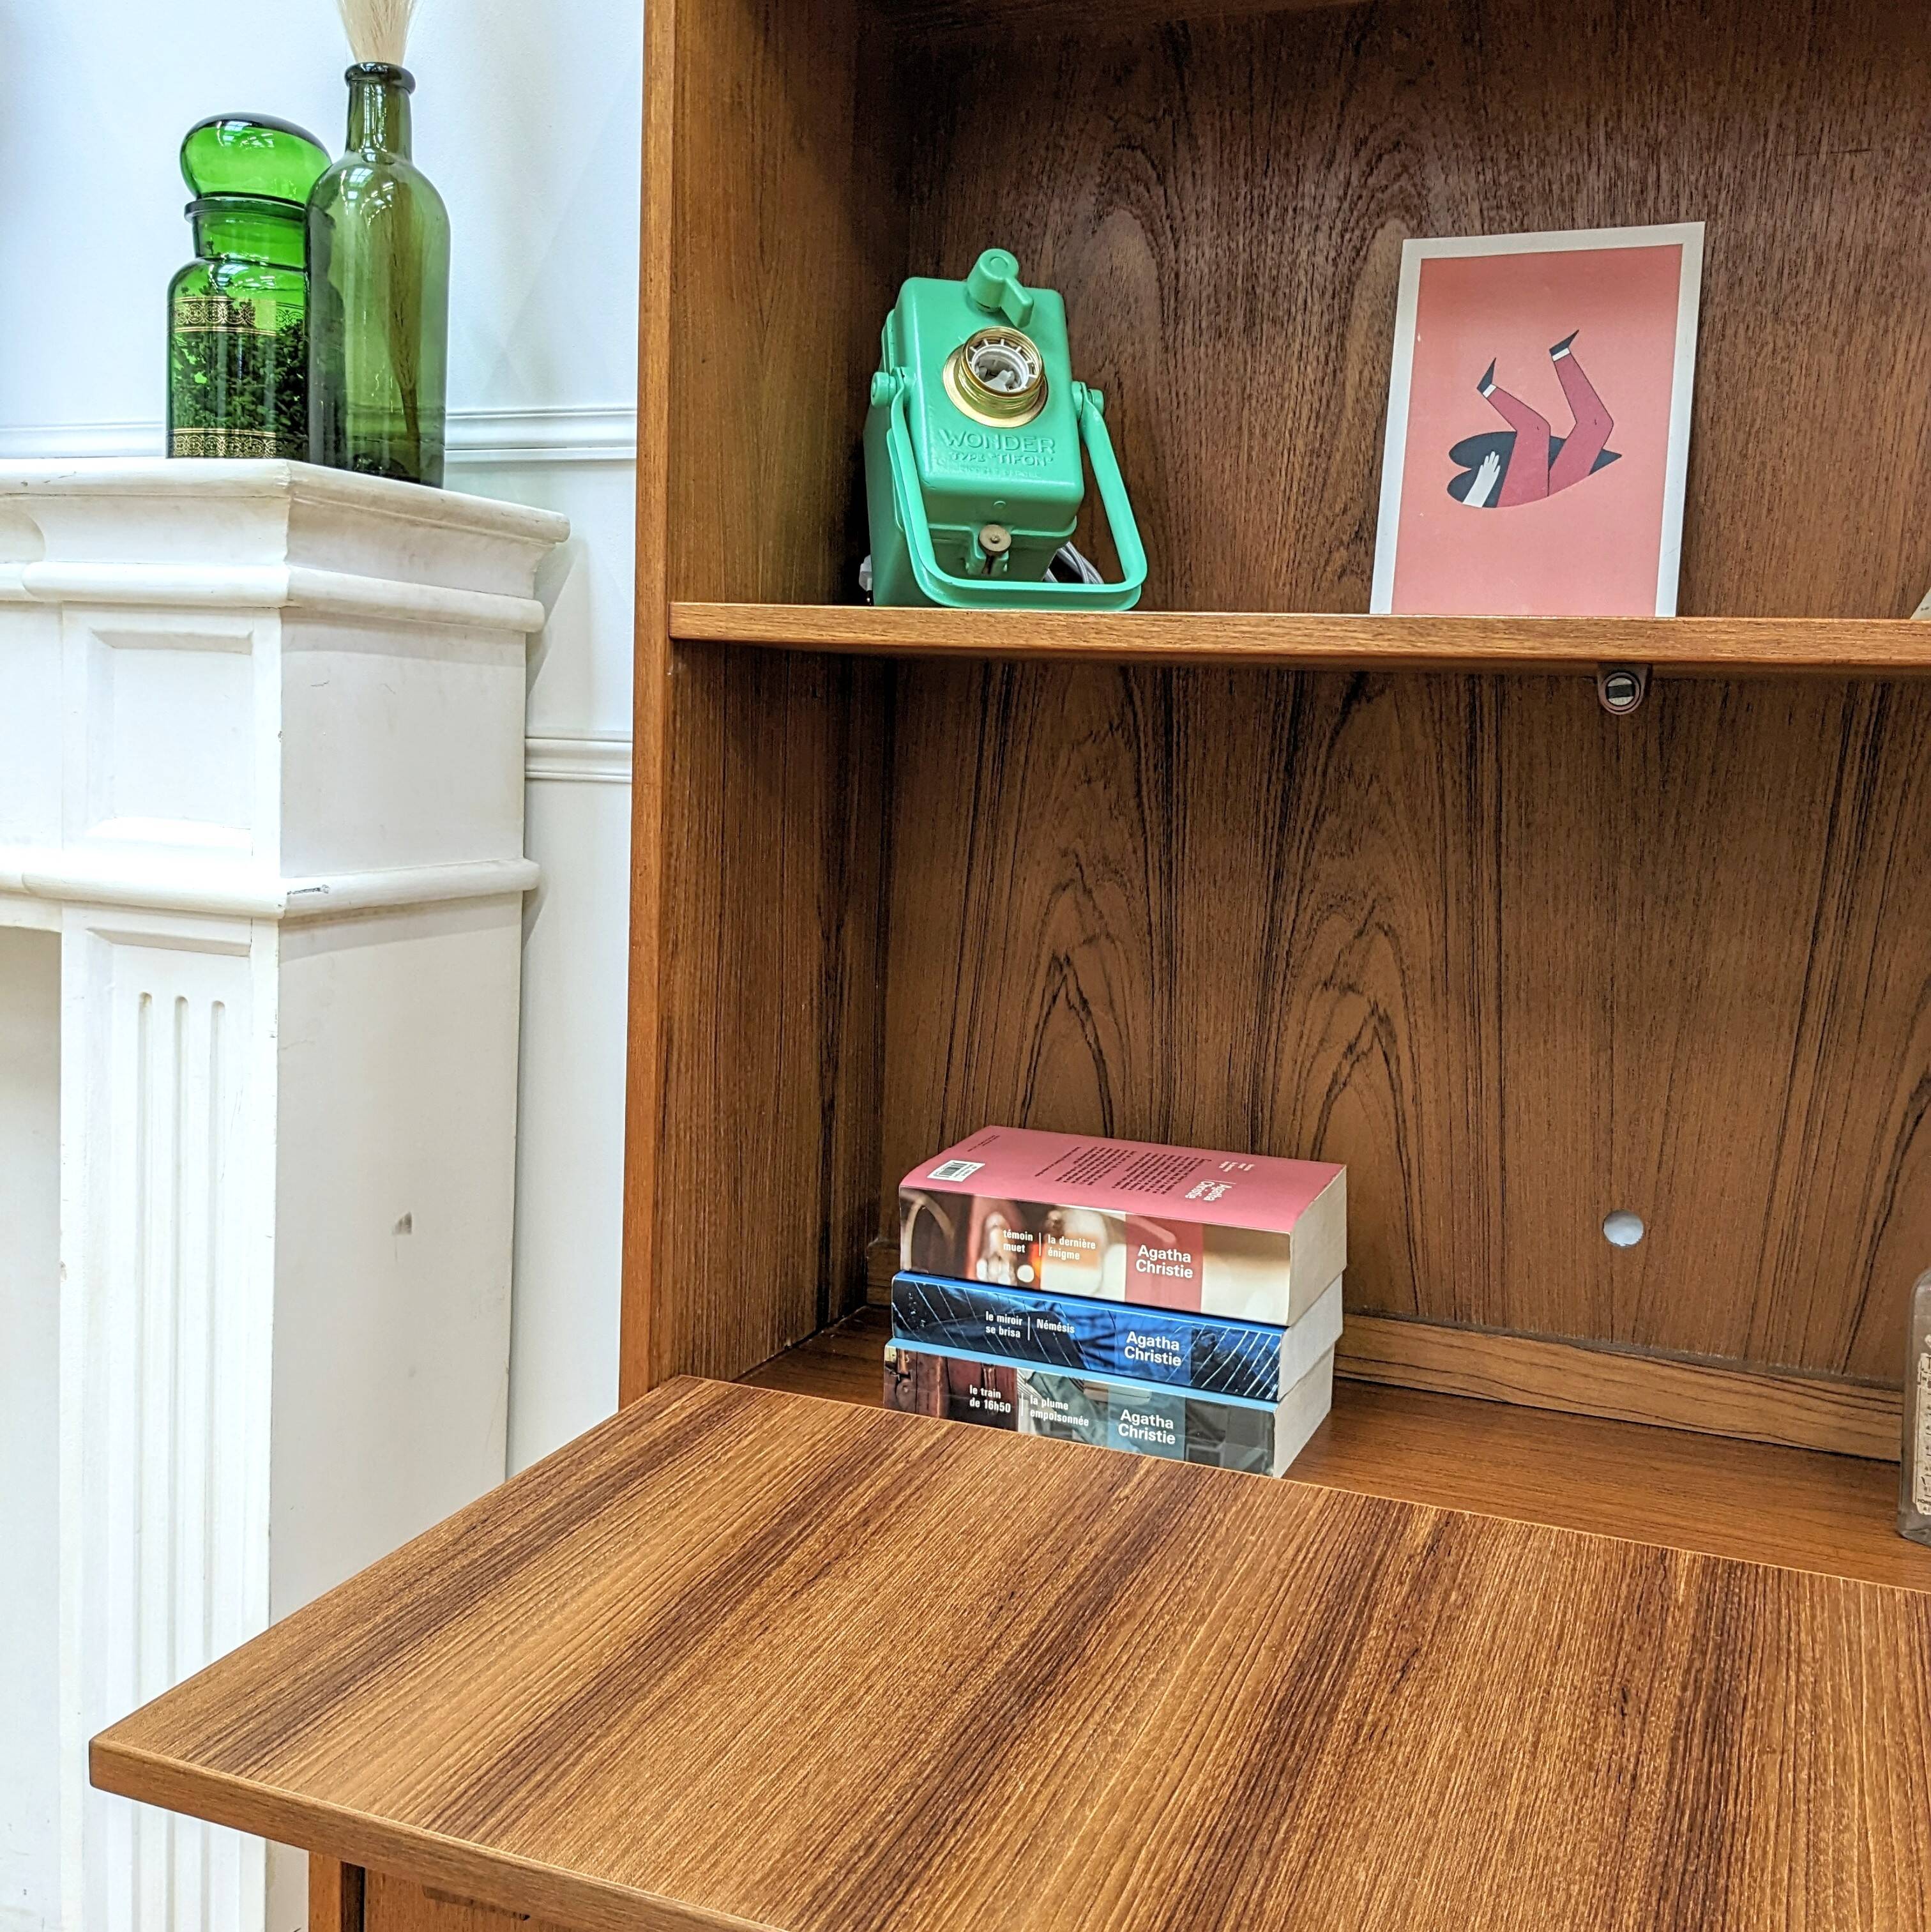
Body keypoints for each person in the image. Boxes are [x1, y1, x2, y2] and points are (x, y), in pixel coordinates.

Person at [1462, 332, 1616, 508]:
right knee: (1545, 429)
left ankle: (1560, 355)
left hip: (1527, 505)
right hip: (1520, 507)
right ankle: (1490, 388)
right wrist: (1481, 489)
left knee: (1594, 424)